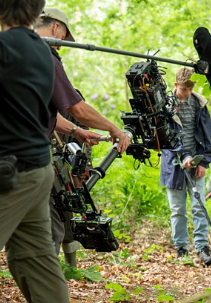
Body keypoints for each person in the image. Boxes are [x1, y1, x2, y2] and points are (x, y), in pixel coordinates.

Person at [34, 7, 131, 266]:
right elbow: (77, 108)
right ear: (56, 28)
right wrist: (114, 129)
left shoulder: (16, 52)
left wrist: (77, 131)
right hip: (29, 161)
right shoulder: (44, 55)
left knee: (38, 230)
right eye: (64, 36)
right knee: (48, 229)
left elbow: (45, 113)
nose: (63, 44)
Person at [0, 0, 70, 302]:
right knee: (36, 259)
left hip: (12, 176)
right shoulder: (43, 52)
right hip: (37, 171)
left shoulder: (5, 49)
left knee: (36, 257)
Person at [160, 67, 211, 265]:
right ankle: (181, 248)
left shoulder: (199, 104)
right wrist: (182, 155)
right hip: (173, 163)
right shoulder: (165, 105)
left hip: (196, 162)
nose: (187, 93)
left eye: (190, 89)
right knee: (177, 209)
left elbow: (207, 133)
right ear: (176, 85)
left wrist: (204, 162)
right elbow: (166, 137)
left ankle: (202, 247)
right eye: (184, 89)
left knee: (199, 206)